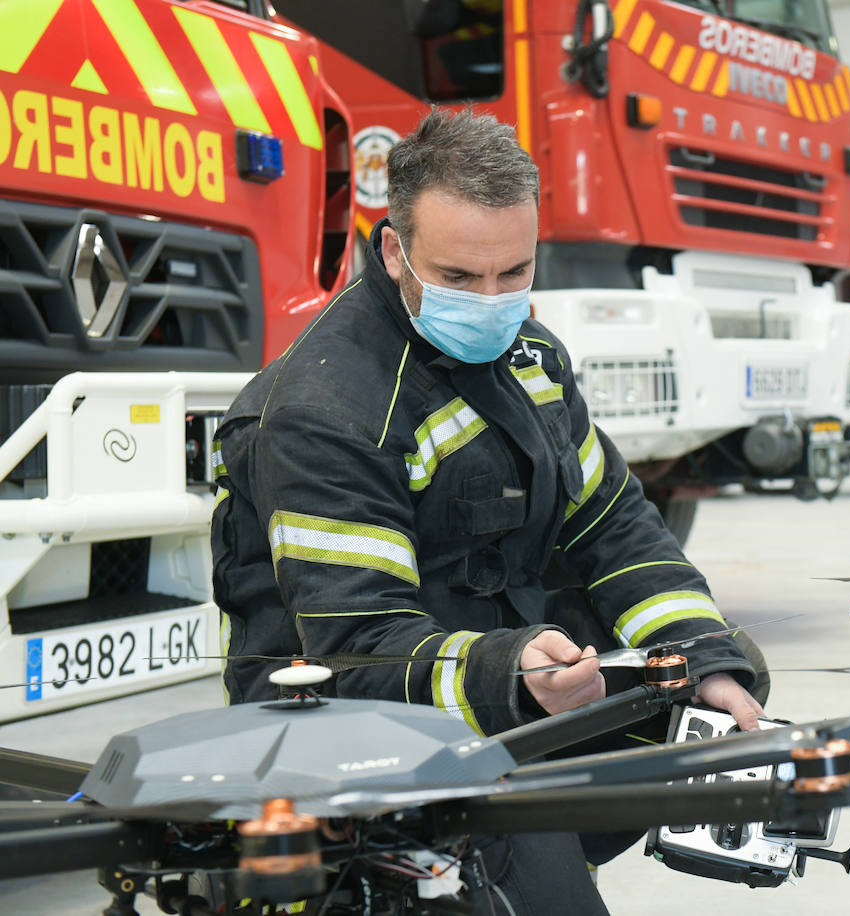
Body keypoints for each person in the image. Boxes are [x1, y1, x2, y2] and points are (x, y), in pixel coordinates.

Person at [209, 109, 767, 913]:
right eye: (462, 279)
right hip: (352, 724)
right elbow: (358, 646)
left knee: (689, 715)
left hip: (500, 694)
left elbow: (612, 524)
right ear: (394, 249)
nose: (494, 302)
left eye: (515, 273)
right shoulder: (327, 410)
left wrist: (701, 656)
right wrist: (510, 670)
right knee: (536, 882)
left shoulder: (531, 356)